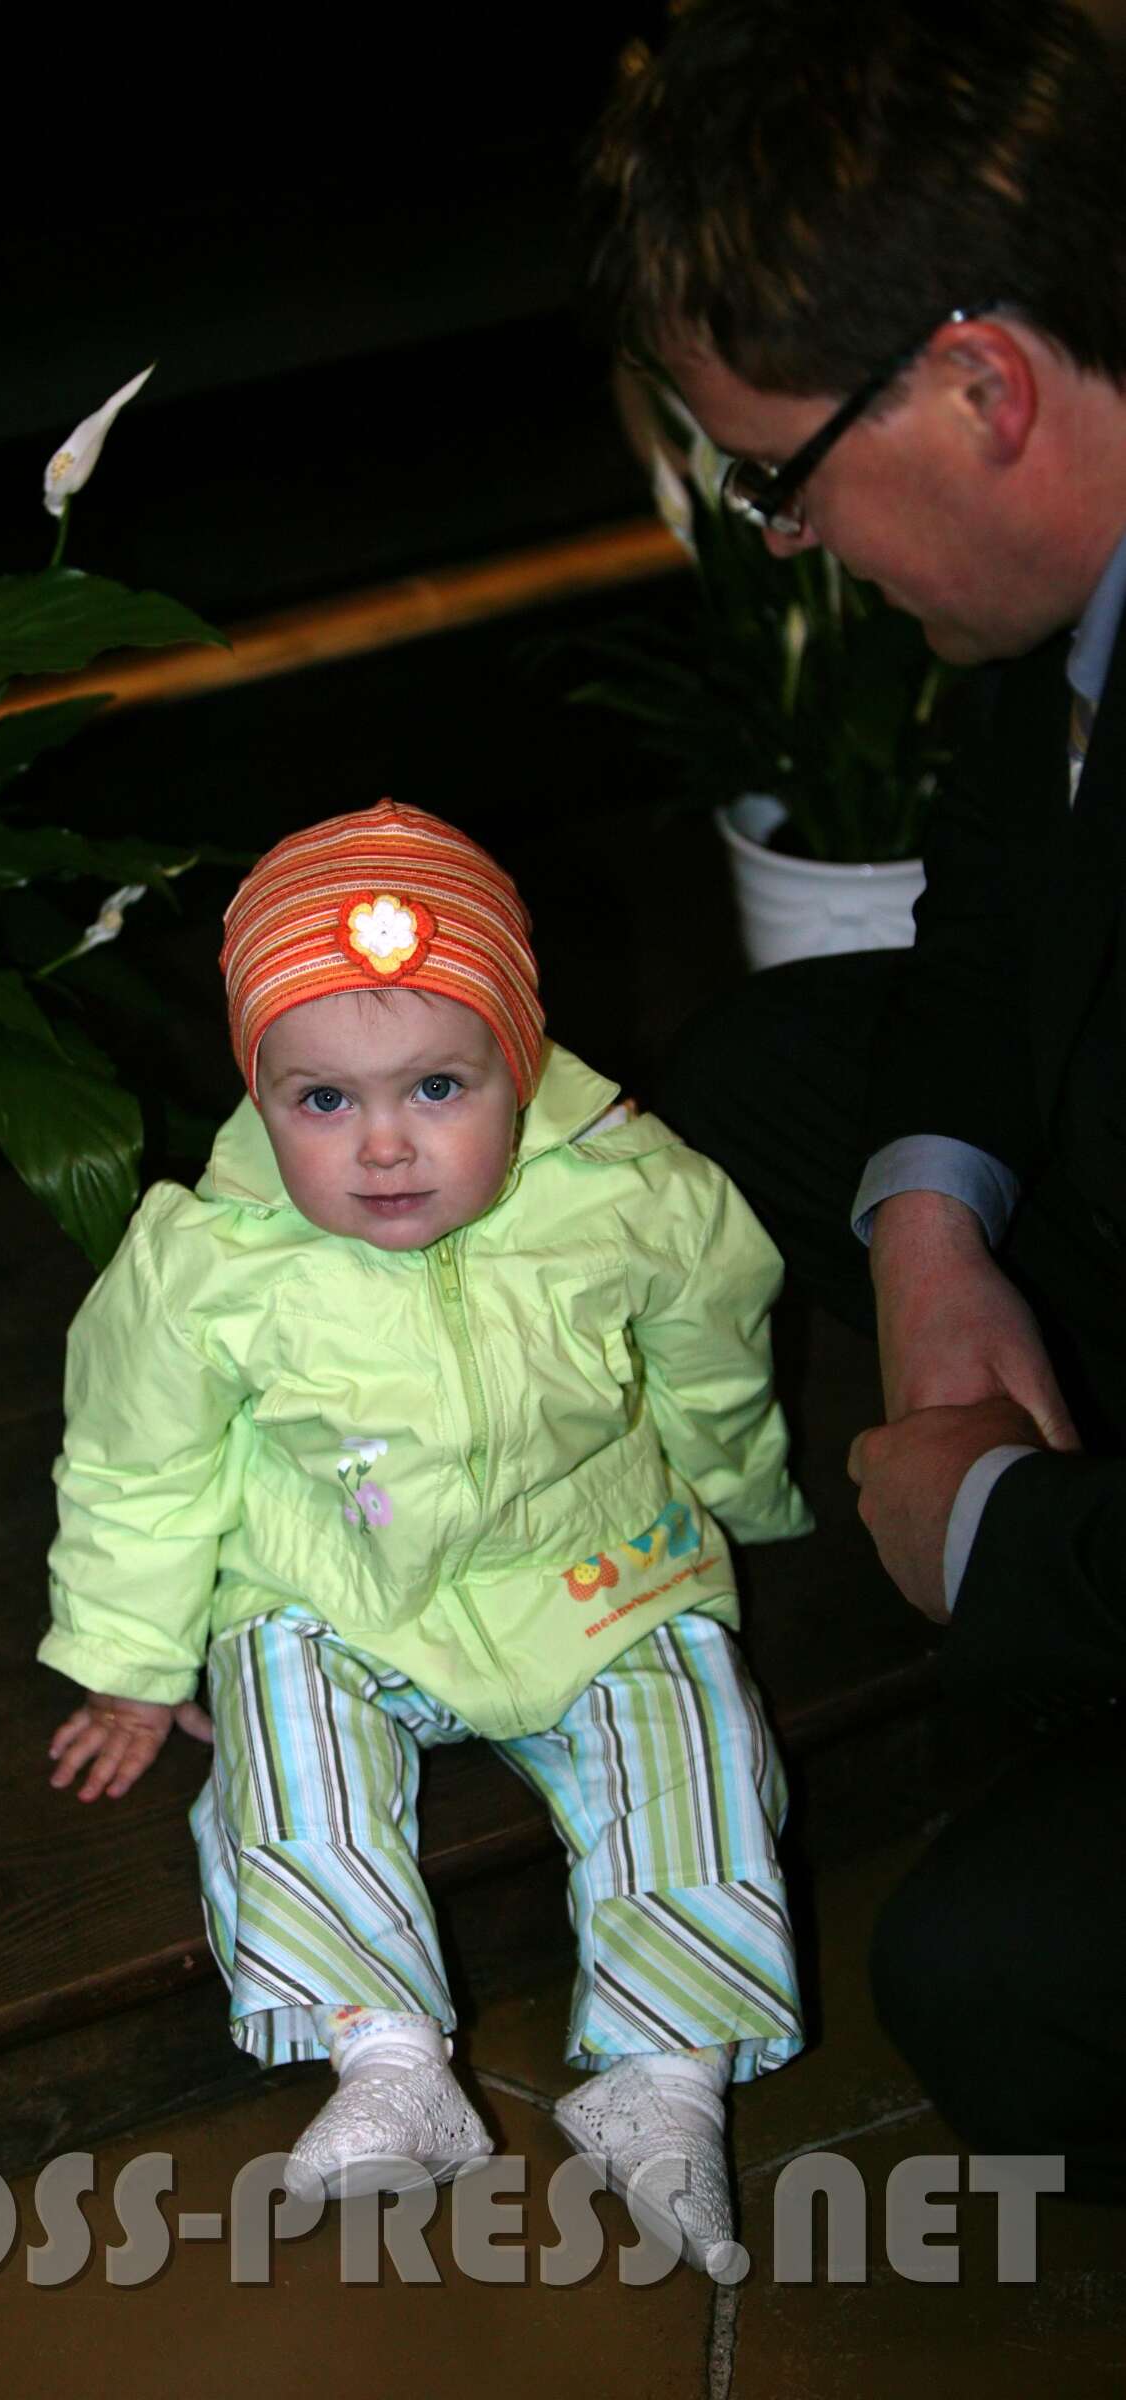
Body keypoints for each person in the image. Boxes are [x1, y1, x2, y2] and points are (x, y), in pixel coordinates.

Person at [589, 0, 1126, 2198]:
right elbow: (992, 898)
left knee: (996, 1983)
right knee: (767, 1082)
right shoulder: (1066, 578)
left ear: (980, 385)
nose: (782, 541)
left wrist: (997, 1533)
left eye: (779, 473)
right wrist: (928, 1232)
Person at [40, 799, 811, 2271]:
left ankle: (666, 2077)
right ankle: (384, 2053)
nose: (384, 1145)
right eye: (322, 1101)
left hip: (588, 1566)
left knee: (692, 1731)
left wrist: (739, 1487)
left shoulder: (634, 1196)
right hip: (332, 1579)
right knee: (278, 1724)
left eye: (440, 1087)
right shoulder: (206, 1260)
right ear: (257, 1091)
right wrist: (130, 1663)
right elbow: (137, 1464)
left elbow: (714, 1350)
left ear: (521, 1060)